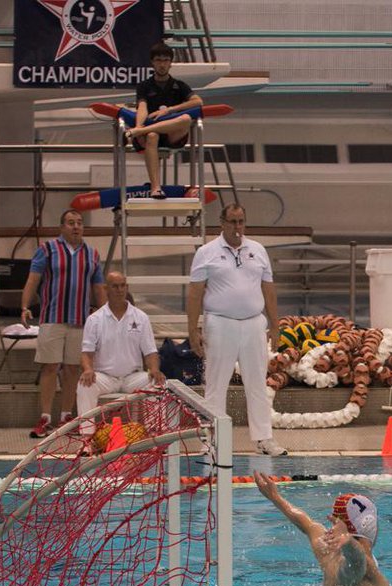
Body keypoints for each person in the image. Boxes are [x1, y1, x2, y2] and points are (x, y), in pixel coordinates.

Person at [188, 203, 285, 456]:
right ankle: (211, 441)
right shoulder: (206, 252)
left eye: (241, 221)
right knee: (216, 384)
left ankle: (264, 439)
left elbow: (269, 289)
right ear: (222, 223)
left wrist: (275, 325)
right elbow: (195, 293)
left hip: (254, 322)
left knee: (257, 383)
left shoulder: (258, 250)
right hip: (220, 322)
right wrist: (192, 329)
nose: (237, 227)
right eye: (232, 221)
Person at [253, 472, 392, 586]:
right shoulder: (364, 568)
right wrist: (348, 543)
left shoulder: (327, 549)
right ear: (370, 526)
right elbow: (357, 563)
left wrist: (275, 498)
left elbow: (307, 524)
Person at [22, 208, 107, 438]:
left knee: (72, 369)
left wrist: (105, 313)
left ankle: (66, 417)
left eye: (79, 222)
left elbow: (98, 287)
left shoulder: (92, 254)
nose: (76, 226)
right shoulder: (47, 250)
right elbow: (33, 279)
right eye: (71, 222)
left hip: (80, 320)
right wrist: (24, 306)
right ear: (62, 227)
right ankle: (45, 417)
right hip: (52, 318)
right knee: (50, 366)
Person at [76, 271, 165, 427]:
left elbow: (150, 352)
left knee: (158, 383)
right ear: (106, 289)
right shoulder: (94, 319)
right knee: (84, 385)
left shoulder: (141, 317)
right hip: (104, 377)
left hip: (132, 377)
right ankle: (86, 439)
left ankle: (155, 437)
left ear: (127, 287)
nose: (119, 290)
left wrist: (154, 369)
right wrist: (88, 369)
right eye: (115, 286)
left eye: (122, 286)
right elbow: (86, 353)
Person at [127, 42, 204, 199]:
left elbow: (198, 102)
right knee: (152, 136)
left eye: (165, 60)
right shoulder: (144, 86)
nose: (162, 64)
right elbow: (142, 107)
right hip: (151, 134)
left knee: (186, 119)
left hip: (172, 134)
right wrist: (140, 124)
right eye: (158, 60)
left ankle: (139, 131)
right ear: (152, 62)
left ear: (170, 63)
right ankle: (156, 187)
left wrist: (170, 109)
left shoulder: (179, 86)